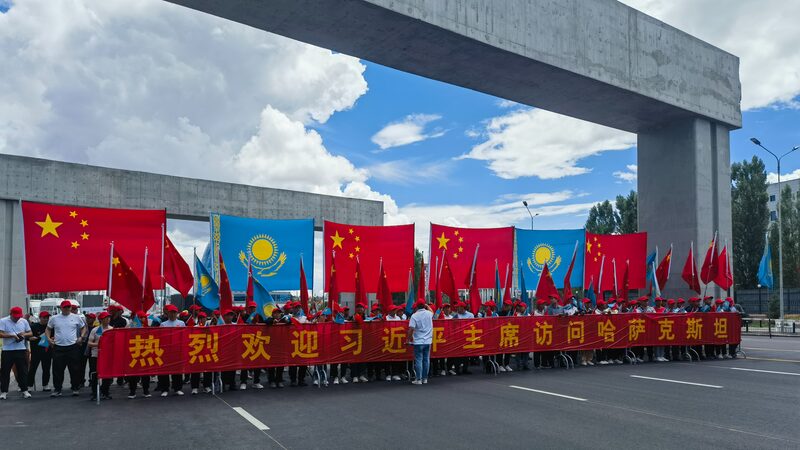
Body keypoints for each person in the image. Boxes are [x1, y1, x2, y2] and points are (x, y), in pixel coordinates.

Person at [46, 300, 87, 397]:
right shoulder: (54, 318)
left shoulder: (76, 317)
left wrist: (81, 337)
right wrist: (48, 339)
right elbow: (48, 329)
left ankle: (75, 388)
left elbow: (83, 327)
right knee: (57, 369)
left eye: (68, 307)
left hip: (72, 346)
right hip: (58, 347)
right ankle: (57, 389)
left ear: (71, 308)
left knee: (75, 369)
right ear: (61, 308)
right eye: (65, 307)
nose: (67, 309)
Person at [1, 306, 33, 400]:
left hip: (21, 349)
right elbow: (0, 334)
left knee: (23, 370)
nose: (17, 318)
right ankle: (4, 391)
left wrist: (23, 334)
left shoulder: (23, 321)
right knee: (5, 371)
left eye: (19, 316)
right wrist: (12, 335)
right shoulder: (3, 321)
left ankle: (24, 390)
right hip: (7, 350)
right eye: (15, 317)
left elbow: (30, 333)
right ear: (10, 314)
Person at [158, 304, 186, 397]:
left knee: (177, 370)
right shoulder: (163, 324)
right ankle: (165, 389)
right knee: (165, 371)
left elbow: (184, 336)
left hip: (177, 350)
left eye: (174, 312)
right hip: (166, 351)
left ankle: (177, 388)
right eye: (171, 312)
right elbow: (161, 337)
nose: (173, 314)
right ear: (168, 313)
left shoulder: (181, 323)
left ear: (177, 313)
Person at [406, 300, 433, 385]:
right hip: (428, 341)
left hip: (418, 341)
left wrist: (408, 340)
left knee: (418, 360)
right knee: (426, 360)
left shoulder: (414, 316)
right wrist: (427, 306)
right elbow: (432, 311)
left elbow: (411, 329)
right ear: (424, 306)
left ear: (417, 307)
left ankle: (419, 379)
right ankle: (425, 378)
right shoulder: (429, 314)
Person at [126, 311, 152, 399]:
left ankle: (146, 391)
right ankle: (132, 391)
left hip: (145, 353)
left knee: (146, 373)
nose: (143, 319)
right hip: (134, 353)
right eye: (141, 317)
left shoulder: (148, 327)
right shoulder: (131, 326)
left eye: (144, 317)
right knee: (133, 373)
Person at [88, 312, 113, 401]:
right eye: (106, 318)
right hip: (96, 355)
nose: (108, 319)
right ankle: (95, 393)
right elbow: (89, 343)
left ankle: (105, 392)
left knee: (107, 375)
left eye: (109, 318)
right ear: (101, 320)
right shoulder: (95, 330)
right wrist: (98, 344)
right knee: (95, 374)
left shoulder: (112, 329)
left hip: (107, 355)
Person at [27, 311, 52, 392]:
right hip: (36, 351)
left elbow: (53, 336)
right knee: (32, 369)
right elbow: (27, 337)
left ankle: (45, 385)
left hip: (47, 351)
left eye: (47, 318)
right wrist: (30, 338)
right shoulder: (33, 326)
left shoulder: (50, 327)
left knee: (46, 369)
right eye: (44, 318)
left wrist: (52, 339)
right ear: (40, 318)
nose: (46, 319)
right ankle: (29, 385)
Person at [264, 308, 290, 388]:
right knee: (271, 364)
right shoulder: (270, 319)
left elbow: (290, 322)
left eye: (278, 313)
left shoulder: (283, 319)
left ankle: (279, 380)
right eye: (275, 313)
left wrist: (287, 321)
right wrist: (273, 321)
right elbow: (266, 322)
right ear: (272, 314)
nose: (277, 314)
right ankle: (271, 380)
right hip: (271, 345)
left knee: (281, 364)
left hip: (281, 345)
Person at [190, 312, 213, 395]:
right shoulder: (194, 328)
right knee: (195, 370)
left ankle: (207, 386)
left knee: (207, 370)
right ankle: (194, 387)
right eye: (201, 318)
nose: (202, 319)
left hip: (206, 351)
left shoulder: (209, 328)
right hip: (197, 351)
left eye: (204, 318)